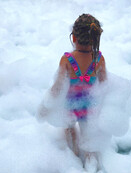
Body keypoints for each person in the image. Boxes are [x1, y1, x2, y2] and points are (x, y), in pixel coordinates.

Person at [49, 14, 107, 160]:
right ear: (95, 38)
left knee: (69, 129)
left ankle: (74, 154)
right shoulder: (99, 59)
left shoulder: (67, 59)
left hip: (70, 105)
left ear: (73, 37)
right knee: (87, 132)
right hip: (89, 105)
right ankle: (89, 158)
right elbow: (104, 83)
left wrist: (48, 104)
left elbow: (58, 85)